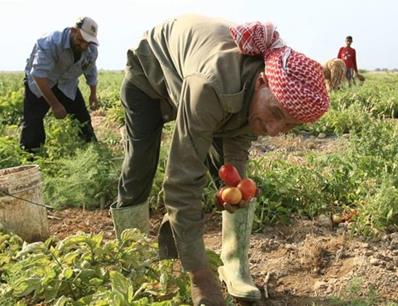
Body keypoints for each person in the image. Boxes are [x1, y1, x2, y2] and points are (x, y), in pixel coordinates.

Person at [111, 15, 329, 305]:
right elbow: (181, 181)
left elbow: (237, 143)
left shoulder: (259, 97)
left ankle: (234, 266)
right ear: (262, 81)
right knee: (140, 164)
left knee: (236, 183)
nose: (275, 131)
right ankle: (132, 259)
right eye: (276, 114)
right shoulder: (211, 86)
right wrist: (200, 277)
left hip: (206, 85)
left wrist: (236, 184)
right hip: (149, 75)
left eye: (288, 126)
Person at [20, 17, 99, 152]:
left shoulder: (90, 50)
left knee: (82, 118)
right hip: (41, 83)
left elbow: (90, 71)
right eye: (81, 40)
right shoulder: (50, 42)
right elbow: (38, 75)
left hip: (66, 84)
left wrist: (93, 94)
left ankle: (90, 150)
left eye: (88, 42)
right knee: (33, 121)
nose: (84, 46)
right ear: (73, 31)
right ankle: (31, 155)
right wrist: (55, 105)